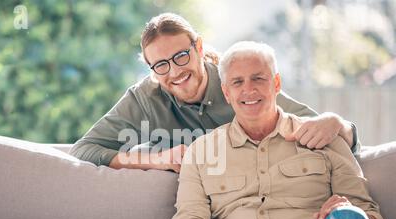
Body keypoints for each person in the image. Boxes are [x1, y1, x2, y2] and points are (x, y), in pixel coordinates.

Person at [171, 41, 386, 219]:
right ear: (226, 92)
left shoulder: (323, 136)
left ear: (276, 83)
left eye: (258, 79)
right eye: (237, 82)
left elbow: (370, 217)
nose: (248, 89)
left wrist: (348, 211)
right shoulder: (201, 151)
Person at [69, 13, 359, 173]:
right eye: (160, 65)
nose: (174, 72)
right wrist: (154, 159)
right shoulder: (144, 97)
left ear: (198, 48)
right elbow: (83, 150)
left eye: (181, 56)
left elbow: (320, 128)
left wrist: (337, 123)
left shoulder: (237, 82)